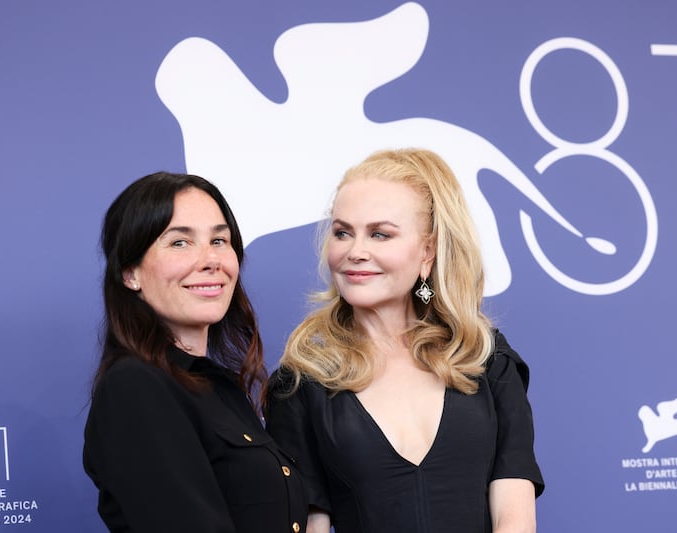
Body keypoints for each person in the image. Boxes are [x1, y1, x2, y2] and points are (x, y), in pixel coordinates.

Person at [265, 148, 544, 533]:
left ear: (427, 252)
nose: (355, 252)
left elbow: (515, 516)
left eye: (380, 234)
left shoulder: (485, 358)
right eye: (343, 232)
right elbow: (312, 523)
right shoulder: (301, 382)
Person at [83, 172, 307, 533]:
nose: (210, 259)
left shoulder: (218, 387)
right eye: (179, 243)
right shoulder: (135, 387)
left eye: (219, 240)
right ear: (130, 273)